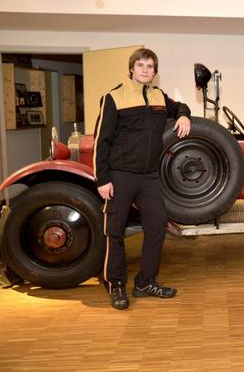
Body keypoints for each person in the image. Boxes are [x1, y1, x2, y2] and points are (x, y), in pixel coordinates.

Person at [94, 48, 192, 309]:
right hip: (120, 175)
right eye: (140, 65)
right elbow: (101, 142)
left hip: (149, 176)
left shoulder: (159, 96)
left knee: (157, 225)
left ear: (155, 71)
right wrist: (102, 179)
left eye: (150, 66)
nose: (145, 70)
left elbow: (180, 105)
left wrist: (183, 114)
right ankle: (115, 284)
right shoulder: (114, 97)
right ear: (131, 69)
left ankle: (145, 281)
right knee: (114, 231)